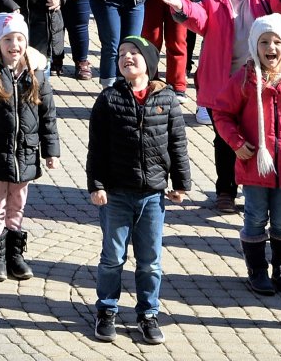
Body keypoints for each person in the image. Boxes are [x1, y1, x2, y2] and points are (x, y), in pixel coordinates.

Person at [159, 0, 281, 209]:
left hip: (260, 81)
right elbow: (200, 18)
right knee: (224, 137)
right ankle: (225, 191)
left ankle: (258, 187)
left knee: (257, 133)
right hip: (222, 82)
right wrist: (181, 6)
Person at [86, 35, 189, 344]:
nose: (126, 57)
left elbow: (179, 145)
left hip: (153, 195)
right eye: (121, 54)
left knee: (150, 260)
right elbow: (96, 148)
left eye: (134, 53)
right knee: (112, 257)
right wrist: (96, 185)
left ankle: (148, 313)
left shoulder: (167, 99)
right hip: (115, 193)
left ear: (150, 64)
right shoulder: (108, 98)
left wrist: (181, 183)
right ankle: (106, 310)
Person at [211, 15, 281, 297]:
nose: (271, 48)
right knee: (254, 219)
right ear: (254, 45)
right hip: (255, 165)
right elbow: (222, 112)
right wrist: (237, 142)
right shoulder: (245, 78)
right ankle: (257, 270)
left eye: (277, 42)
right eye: (264, 42)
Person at [0, 12, 57, 285]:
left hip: (26, 153)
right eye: (8, 39)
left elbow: (48, 117)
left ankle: (15, 254)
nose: (14, 45)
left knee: (18, 204)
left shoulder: (37, 76)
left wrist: (50, 150)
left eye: (19, 39)